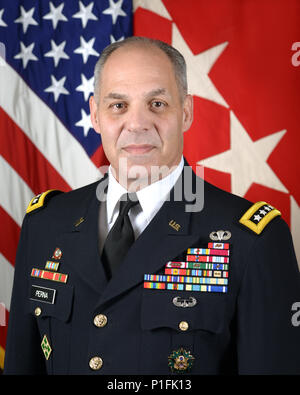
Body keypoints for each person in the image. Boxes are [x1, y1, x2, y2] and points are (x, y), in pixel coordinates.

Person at [4, 37, 300, 375]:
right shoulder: (47, 223)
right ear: (95, 115)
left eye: (157, 103)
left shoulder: (251, 239)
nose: (137, 124)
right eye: (118, 105)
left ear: (186, 112)